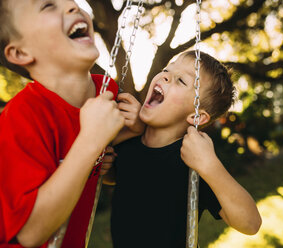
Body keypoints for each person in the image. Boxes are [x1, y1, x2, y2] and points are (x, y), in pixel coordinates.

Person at [0, 0, 143, 247]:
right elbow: (30, 234)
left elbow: (106, 171)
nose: (72, 6)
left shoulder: (106, 91)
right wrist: (90, 142)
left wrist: (133, 132)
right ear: (21, 53)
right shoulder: (20, 118)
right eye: (47, 6)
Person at [110, 51, 262, 247]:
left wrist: (210, 166)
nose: (165, 75)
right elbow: (116, 176)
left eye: (181, 80)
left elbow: (250, 224)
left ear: (196, 116)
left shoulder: (193, 161)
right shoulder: (130, 142)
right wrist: (128, 136)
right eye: (167, 70)